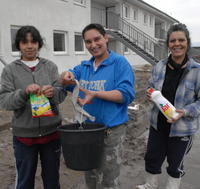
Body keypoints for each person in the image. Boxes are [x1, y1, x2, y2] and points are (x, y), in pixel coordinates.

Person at [60, 23, 135, 189]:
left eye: (97, 39)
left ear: (106, 38)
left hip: (111, 132)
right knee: (91, 175)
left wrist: (95, 94)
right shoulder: (84, 66)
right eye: (88, 42)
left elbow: (126, 95)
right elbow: (66, 81)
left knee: (108, 179)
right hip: (88, 133)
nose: (93, 45)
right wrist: (65, 76)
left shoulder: (119, 63)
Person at [135, 23, 200, 189]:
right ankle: (151, 184)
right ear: (168, 44)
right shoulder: (159, 66)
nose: (177, 44)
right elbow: (151, 86)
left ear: (187, 43)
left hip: (182, 128)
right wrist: (150, 93)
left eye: (181, 40)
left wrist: (184, 112)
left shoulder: (197, 70)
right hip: (158, 125)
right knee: (152, 158)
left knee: (175, 164)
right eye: (172, 41)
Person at [0, 25, 66, 189]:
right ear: (19, 45)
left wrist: (53, 93)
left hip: (51, 134)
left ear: (39, 44)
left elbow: (61, 94)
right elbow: (4, 100)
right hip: (24, 137)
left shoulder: (50, 66)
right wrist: (23, 93)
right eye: (24, 42)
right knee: (25, 180)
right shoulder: (10, 70)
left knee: (52, 180)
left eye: (33, 41)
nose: (29, 46)